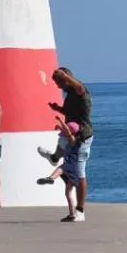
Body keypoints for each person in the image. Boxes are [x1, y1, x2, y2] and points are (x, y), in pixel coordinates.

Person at [39, 66, 93, 222]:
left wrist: (66, 77)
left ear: (66, 79)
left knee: (80, 172)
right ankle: (55, 157)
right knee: (62, 138)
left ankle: (80, 211)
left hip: (82, 136)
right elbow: (72, 114)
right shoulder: (69, 94)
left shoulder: (79, 90)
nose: (58, 86)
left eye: (59, 83)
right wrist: (58, 109)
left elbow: (79, 87)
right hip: (72, 133)